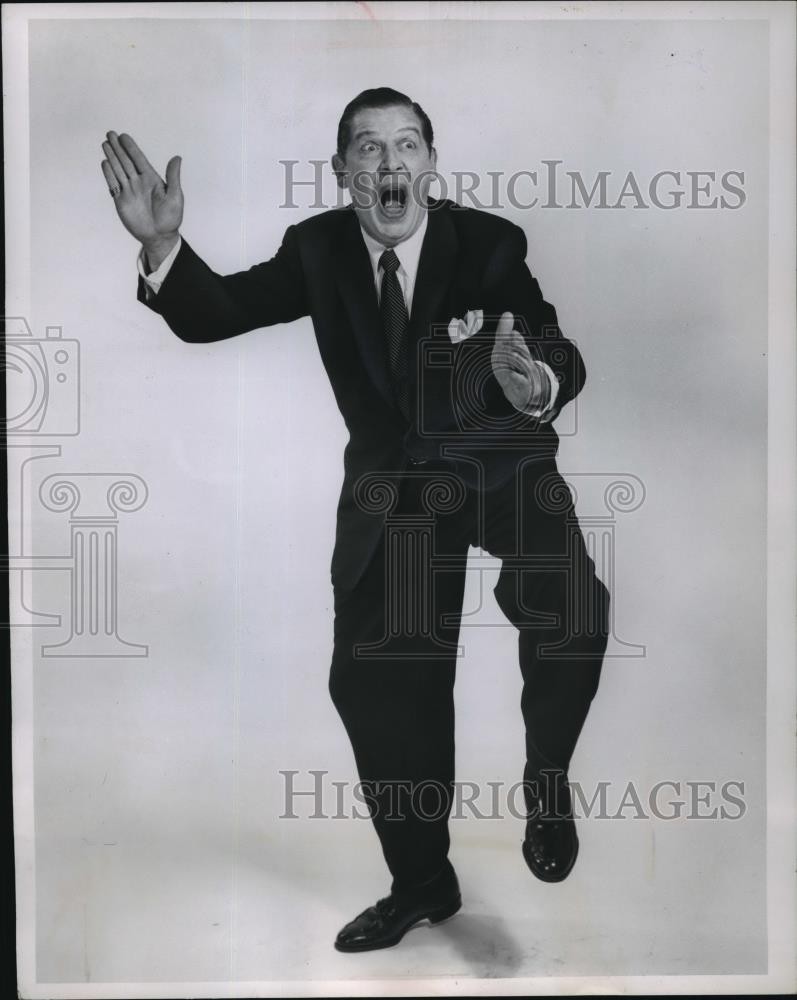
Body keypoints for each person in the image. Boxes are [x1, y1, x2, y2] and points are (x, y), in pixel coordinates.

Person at [100, 87, 610, 953]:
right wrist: (161, 246)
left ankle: (547, 778)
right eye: (368, 150)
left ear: (431, 165)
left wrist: (538, 383)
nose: (389, 165)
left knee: (570, 607)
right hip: (397, 497)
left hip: (497, 463)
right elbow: (217, 311)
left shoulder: (485, 244)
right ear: (342, 173)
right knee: (381, 693)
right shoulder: (317, 250)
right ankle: (422, 883)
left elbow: (552, 341)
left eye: (406, 146)